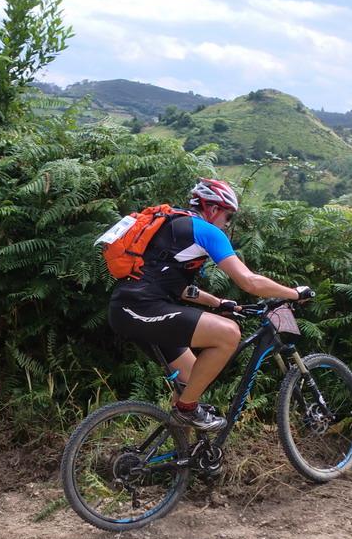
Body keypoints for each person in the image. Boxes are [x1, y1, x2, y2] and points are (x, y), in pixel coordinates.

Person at [107, 178, 313, 431]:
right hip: (140, 308)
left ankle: (180, 448)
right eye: (228, 217)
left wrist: (218, 302)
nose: (227, 224)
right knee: (229, 334)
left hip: (130, 307)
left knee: (191, 377)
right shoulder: (207, 232)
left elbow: (175, 286)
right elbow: (249, 282)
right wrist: (294, 293)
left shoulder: (173, 226)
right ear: (213, 209)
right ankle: (186, 409)